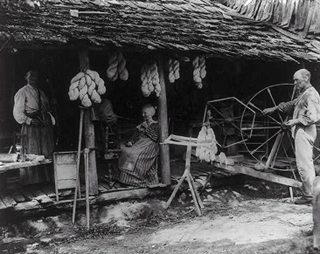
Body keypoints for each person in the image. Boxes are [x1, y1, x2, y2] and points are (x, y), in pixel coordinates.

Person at [262, 69, 320, 204]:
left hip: (305, 130)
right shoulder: (304, 94)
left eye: (296, 80)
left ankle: (309, 196)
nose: (294, 83)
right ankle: (309, 193)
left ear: (306, 78)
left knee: (304, 165)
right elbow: (292, 104)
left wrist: (294, 121)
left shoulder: (311, 94)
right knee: (303, 164)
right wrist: (275, 108)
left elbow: (314, 116)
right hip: (300, 130)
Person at [13, 70, 55, 184]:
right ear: (25, 77)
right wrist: (29, 121)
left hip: (43, 125)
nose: (33, 78)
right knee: (32, 152)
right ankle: (31, 182)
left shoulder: (41, 93)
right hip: (31, 127)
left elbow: (46, 108)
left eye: (35, 76)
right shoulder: (22, 92)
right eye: (30, 75)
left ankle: (45, 180)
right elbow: (17, 112)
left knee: (45, 151)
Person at [114, 104, 159, 187]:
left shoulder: (157, 124)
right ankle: (123, 179)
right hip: (139, 144)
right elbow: (136, 135)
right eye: (142, 113)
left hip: (150, 145)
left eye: (145, 113)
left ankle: (136, 180)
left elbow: (155, 137)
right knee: (125, 150)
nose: (143, 115)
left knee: (132, 154)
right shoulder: (143, 124)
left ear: (151, 114)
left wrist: (146, 127)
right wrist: (131, 141)